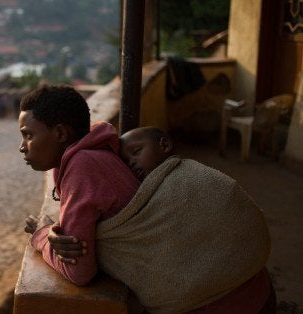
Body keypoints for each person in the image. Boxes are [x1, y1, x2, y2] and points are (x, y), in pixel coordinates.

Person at [49, 126, 274, 313]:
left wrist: (45, 235)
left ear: (164, 146)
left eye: (136, 151)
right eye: (126, 163)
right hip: (260, 298)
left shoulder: (193, 178)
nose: (132, 164)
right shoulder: (142, 204)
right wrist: (59, 229)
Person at [19, 84, 140, 285]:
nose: (22, 147)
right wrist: (55, 231)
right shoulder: (93, 154)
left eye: (28, 135)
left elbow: (78, 272)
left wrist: (41, 234)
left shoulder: (82, 166)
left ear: (60, 134)